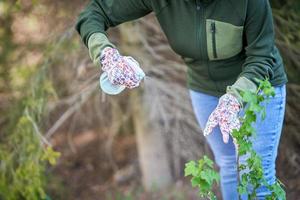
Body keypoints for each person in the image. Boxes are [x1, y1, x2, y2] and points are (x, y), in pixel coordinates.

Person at [75, 0, 287, 199]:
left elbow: (262, 56)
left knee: (255, 176)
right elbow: (94, 13)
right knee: (229, 163)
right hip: (204, 89)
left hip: (256, 86)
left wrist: (234, 99)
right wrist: (107, 55)